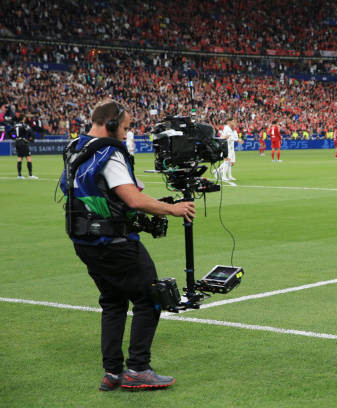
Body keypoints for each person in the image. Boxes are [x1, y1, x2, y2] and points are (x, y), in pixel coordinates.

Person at [60, 99, 195, 390]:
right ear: (110, 125)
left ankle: (112, 373)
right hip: (114, 242)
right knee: (151, 298)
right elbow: (132, 199)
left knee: (113, 302)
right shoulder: (110, 152)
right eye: (124, 128)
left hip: (85, 241)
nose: (126, 134)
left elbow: (85, 191)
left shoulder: (75, 149)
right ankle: (137, 369)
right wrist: (174, 208)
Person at [216, 117, 243, 182]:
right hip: (226, 146)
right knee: (227, 161)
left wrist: (238, 139)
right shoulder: (227, 128)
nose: (234, 123)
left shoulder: (233, 130)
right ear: (229, 122)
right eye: (232, 122)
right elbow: (229, 137)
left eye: (234, 122)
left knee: (231, 162)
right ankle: (223, 176)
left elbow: (234, 137)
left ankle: (228, 175)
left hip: (231, 148)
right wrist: (237, 140)